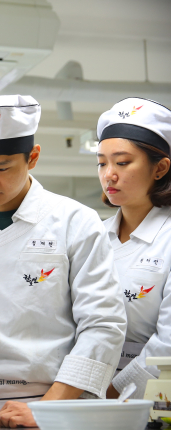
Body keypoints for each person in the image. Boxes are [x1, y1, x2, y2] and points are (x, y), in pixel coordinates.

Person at [0, 95, 127, 429]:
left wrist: (46, 409)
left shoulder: (75, 221)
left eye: (2, 168)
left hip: (47, 403)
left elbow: (103, 323)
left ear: (32, 157)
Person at [95, 98, 171, 399]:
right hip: (86, 393)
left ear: (160, 168)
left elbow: (167, 345)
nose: (108, 174)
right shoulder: (91, 236)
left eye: (122, 162)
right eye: (102, 163)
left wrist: (108, 394)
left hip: (154, 400)